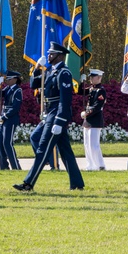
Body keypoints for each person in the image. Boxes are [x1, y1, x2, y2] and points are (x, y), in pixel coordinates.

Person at [14, 43, 84, 192]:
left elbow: (65, 100)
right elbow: (34, 84)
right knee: (64, 150)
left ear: (60, 55)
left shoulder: (63, 73)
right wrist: (37, 68)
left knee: (43, 147)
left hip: (57, 113)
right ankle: (77, 184)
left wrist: (60, 121)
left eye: (52, 54)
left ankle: (28, 183)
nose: (49, 56)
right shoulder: (50, 71)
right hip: (49, 112)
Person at [29, 64, 57, 172]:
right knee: (34, 137)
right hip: (46, 116)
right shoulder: (44, 80)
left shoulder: (56, 78)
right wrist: (36, 68)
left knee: (52, 141)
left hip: (53, 115)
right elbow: (33, 83)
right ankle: (47, 160)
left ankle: (54, 165)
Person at [0, 70, 22, 170]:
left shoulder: (17, 90)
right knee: (0, 142)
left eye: (8, 79)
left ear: (15, 79)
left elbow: (15, 108)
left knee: (7, 143)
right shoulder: (8, 88)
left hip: (11, 119)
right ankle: (4, 167)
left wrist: (4, 116)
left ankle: (16, 167)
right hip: (3, 118)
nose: (7, 81)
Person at [80, 69, 107, 171]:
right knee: (87, 144)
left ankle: (100, 165)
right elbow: (80, 92)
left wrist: (86, 113)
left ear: (99, 78)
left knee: (93, 144)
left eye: (93, 77)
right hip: (88, 120)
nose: (91, 79)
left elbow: (97, 106)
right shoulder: (92, 89)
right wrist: (80, 82)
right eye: (90, 77)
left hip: (95, 119)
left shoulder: (101, 91)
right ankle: (90, 165)